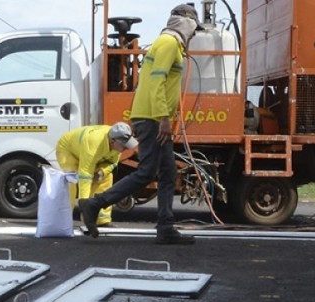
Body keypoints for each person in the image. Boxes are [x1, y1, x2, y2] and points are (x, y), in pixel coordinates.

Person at [79, 3, 204, 244]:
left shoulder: (167, 43)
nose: (194, 34)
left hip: (149, 117)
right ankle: (95, 203)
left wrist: (140, 117)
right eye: (194, 29)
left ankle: (165, 226)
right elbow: (157, 83)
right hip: (155, 119)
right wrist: (163, 118)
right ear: (185, 23)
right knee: (148, 172)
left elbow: (143, 84)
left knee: (168, 172)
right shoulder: (169, 44)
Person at [56, 122, 138, 227]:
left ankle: (102, 220)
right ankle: (63, 220)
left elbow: (112, 163)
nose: (127, 148)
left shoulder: (116, 142)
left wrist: (101, 173)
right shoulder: (94, 143)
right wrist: (84, 207)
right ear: (112, 142)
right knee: (71, 181)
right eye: (124, 145)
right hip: (68, 150)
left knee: (107, 177)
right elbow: (85, 175)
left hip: (89, 153)